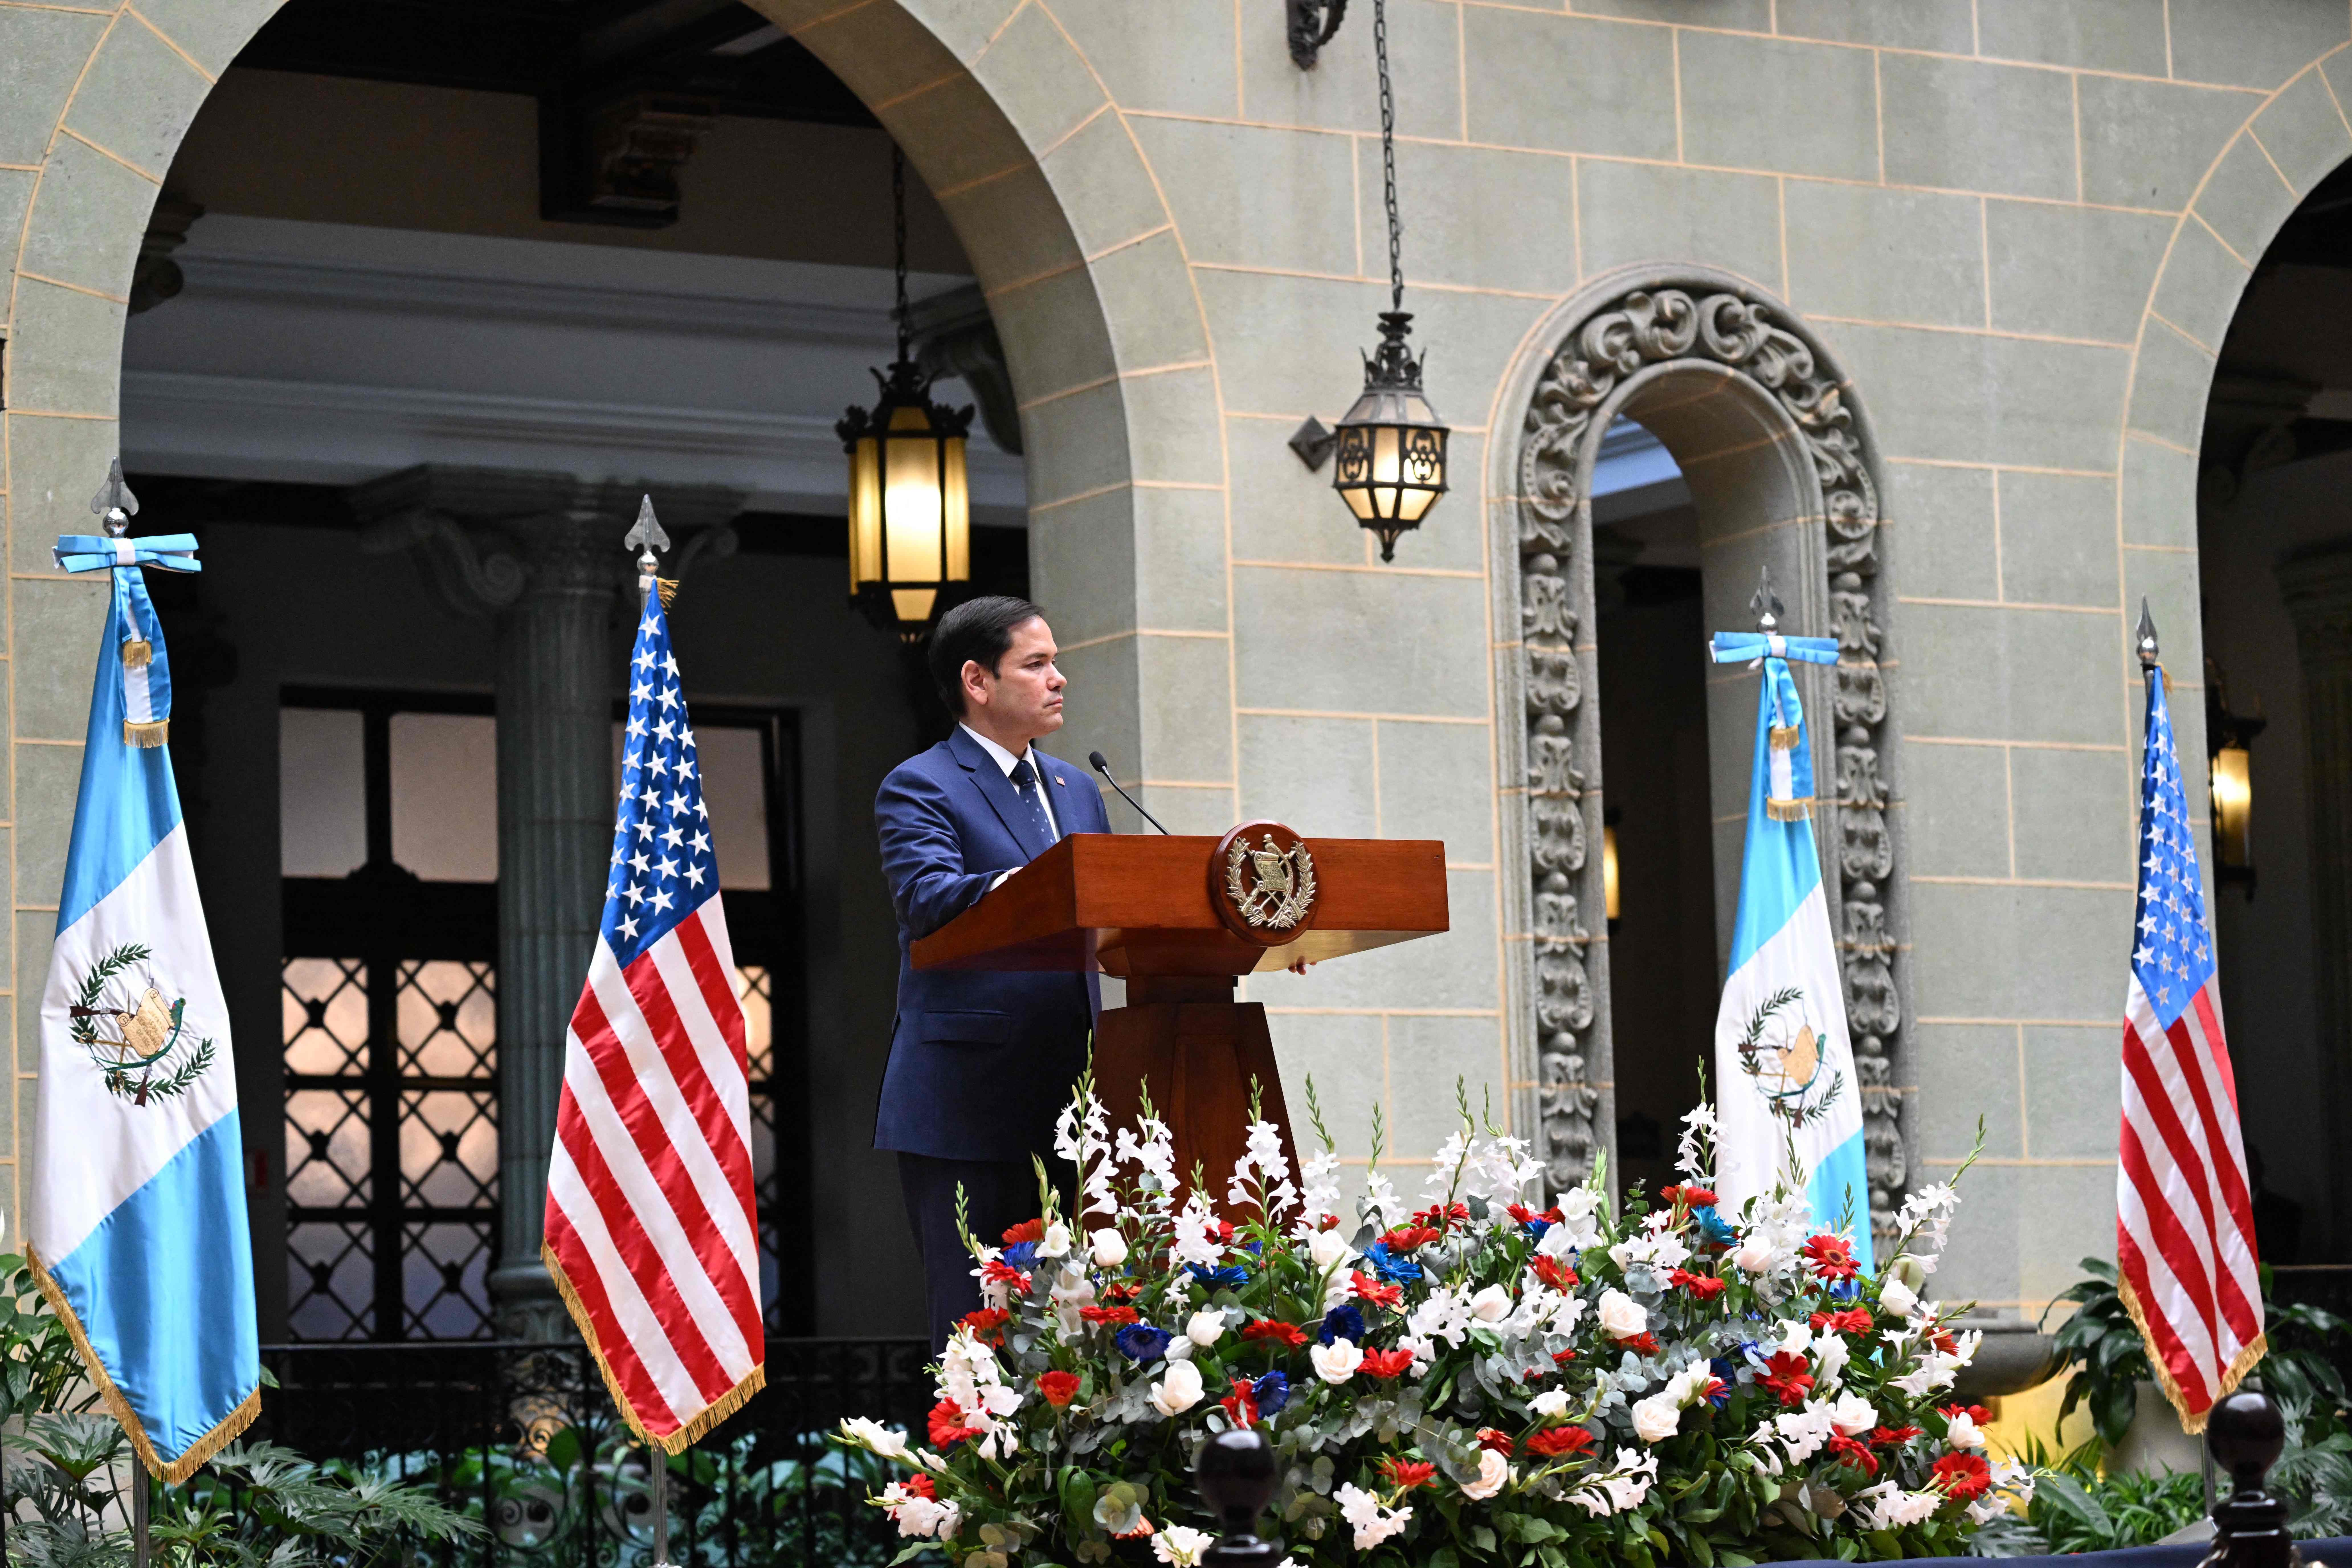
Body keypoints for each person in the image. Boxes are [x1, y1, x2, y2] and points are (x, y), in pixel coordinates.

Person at [872, 596, 1109, 1350]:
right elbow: (928, 898)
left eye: (1056, 662)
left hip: (1077, 1104)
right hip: (966, 1102)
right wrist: (1030, 885)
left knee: (1078, 1333)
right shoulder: (922, 784)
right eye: (1036, 665)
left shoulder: (1079, 789)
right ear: (977, 681)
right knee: (975, 1332)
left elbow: (1108, 911)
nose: (1058, 679)